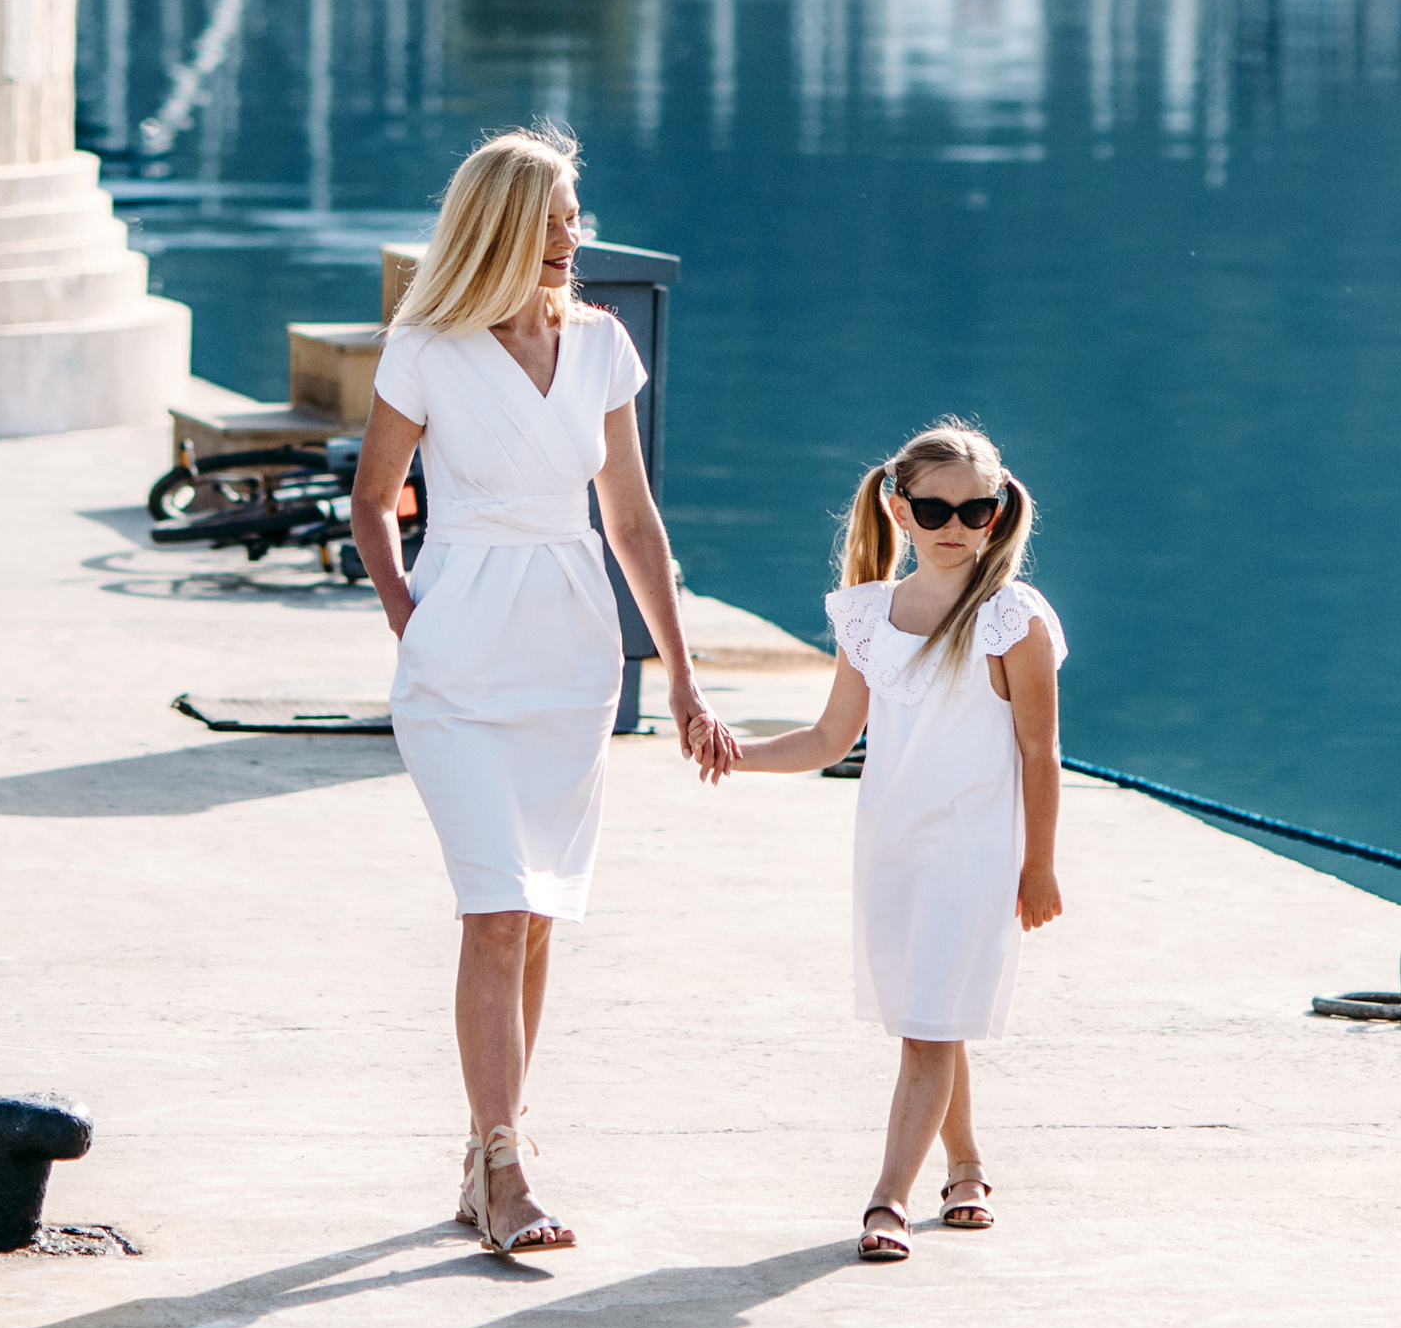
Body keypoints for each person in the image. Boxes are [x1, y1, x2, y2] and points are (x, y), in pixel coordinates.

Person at [349, 123, 730, 1259]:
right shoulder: (424, 346)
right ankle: (509, 1170)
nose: (577, 234)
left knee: (540, 906)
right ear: (504, 225)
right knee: (492, 907)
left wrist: (683, 682)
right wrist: (412, 624)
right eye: (557, 216)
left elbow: (631, 520)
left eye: (577, 213)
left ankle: (485, 1147)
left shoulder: (604, 345)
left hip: (569, 651)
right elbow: (374, 501)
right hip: (459, 649)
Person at [714, 418, 1062, 1259]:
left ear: (998, 510)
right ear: (899, 510)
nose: (954, 528)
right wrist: (739, 756)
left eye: (975, 511)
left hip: (977, 850)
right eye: (934, 510)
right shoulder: (869, 615)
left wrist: (1039, 865)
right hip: (893, 847)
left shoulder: (1011, 620)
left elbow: (1038, 751)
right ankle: (968, 1165)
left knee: (927, 1031)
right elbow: (831, 738)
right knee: (929, 1014)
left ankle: (887, 1201)